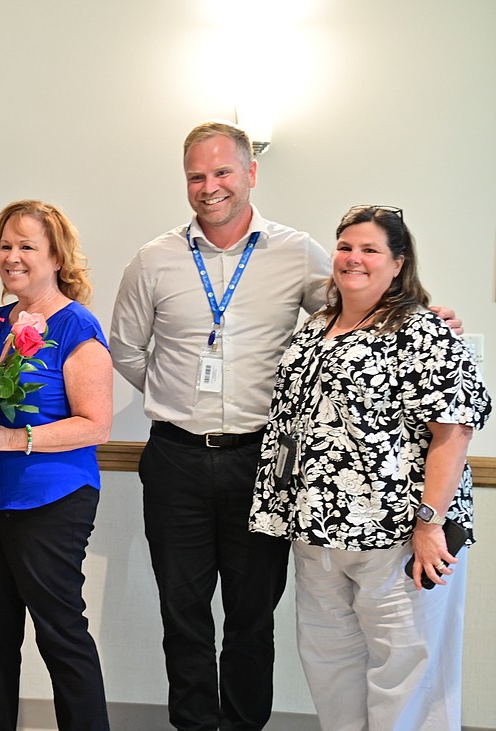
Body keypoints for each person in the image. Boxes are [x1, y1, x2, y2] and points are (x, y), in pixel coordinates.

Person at [108, 122, 462, 731]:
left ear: (250, 174)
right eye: (197, 175)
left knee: (252, 615)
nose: (210, 186)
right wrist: (180, 399)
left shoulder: (297, 250)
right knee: (181, 610)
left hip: (262, 465)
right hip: (176, 458)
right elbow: (127, 351)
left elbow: (356, 300)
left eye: (223, 172)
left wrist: (421, 312)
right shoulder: (154, 259)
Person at [249, 205, 490, 730]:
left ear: (399, 263)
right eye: (345, 247)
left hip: (400, 538)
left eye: (370, 249)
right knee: (330, 667)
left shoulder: (423, 330)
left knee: (408, 671)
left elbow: (453, 432)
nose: (353, 258)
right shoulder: (314, 329)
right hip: (318, 534)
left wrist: (429, 525)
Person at [0, 200, 113, 731]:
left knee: (60, 633)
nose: (12, 257)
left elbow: (95, 425)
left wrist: (9, 437)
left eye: (27, 246)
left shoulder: (75, 327)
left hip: (52, 501)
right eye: (6, 245)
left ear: (58, 257)